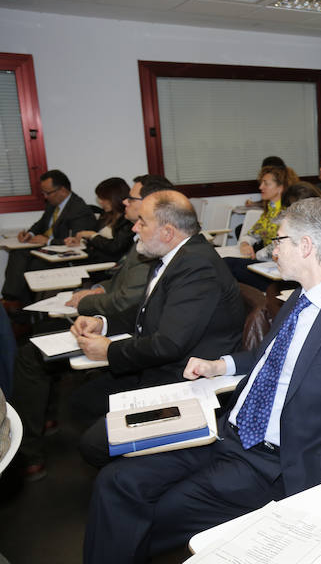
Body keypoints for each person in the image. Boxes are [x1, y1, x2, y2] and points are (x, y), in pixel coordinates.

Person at [83, 198, 321, 563]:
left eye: (280, 240)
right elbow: (269, 360)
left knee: (148, 514)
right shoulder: (297, 300)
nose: (274, 249)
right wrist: (220, 366)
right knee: (117, 482)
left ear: (305, 246)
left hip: (274, 463)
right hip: (227, 433)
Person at [13, 190, 245, 474]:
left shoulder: (196, 267)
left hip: (183, 379)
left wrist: (108, 351)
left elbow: (169, 344)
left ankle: (145, 471)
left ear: (168, 231)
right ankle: (134, 463)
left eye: (142, 223)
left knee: (93, 445)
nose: (134, 228)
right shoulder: (173, 256)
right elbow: (144, 310)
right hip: (157, 367)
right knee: (81, 404)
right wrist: (102, 323)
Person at [66, 175, 174, 319]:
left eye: (131, 198)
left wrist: (86, 301)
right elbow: (122, 281)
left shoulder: (156, 244)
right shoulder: (141, 236)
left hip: (128, 319)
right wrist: (99, 289)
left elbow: (127, 299)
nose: (124, 201)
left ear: (151, 202)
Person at [2, 169, 97, 305]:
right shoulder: (53, 205)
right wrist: (30, 233)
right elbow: (41, 223)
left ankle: (16, 303)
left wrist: (49, 241)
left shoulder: (79, 209)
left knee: (33, 265)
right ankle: (12, 300)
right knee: (17, 253)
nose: (45, 196)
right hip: (46, 248)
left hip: (62, 255)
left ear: (62, 190)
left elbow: (77, 241)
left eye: (48, 193)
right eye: (43, 193)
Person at [64, 177, 133, 263]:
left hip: (110, 266)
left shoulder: (129, 220)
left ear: (115, 197)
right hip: (95, 260)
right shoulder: (106, 216)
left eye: (103, 198)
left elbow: (115, 247)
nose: (100, 202)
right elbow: (97, 242)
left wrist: (92, 235)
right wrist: (81, 241)